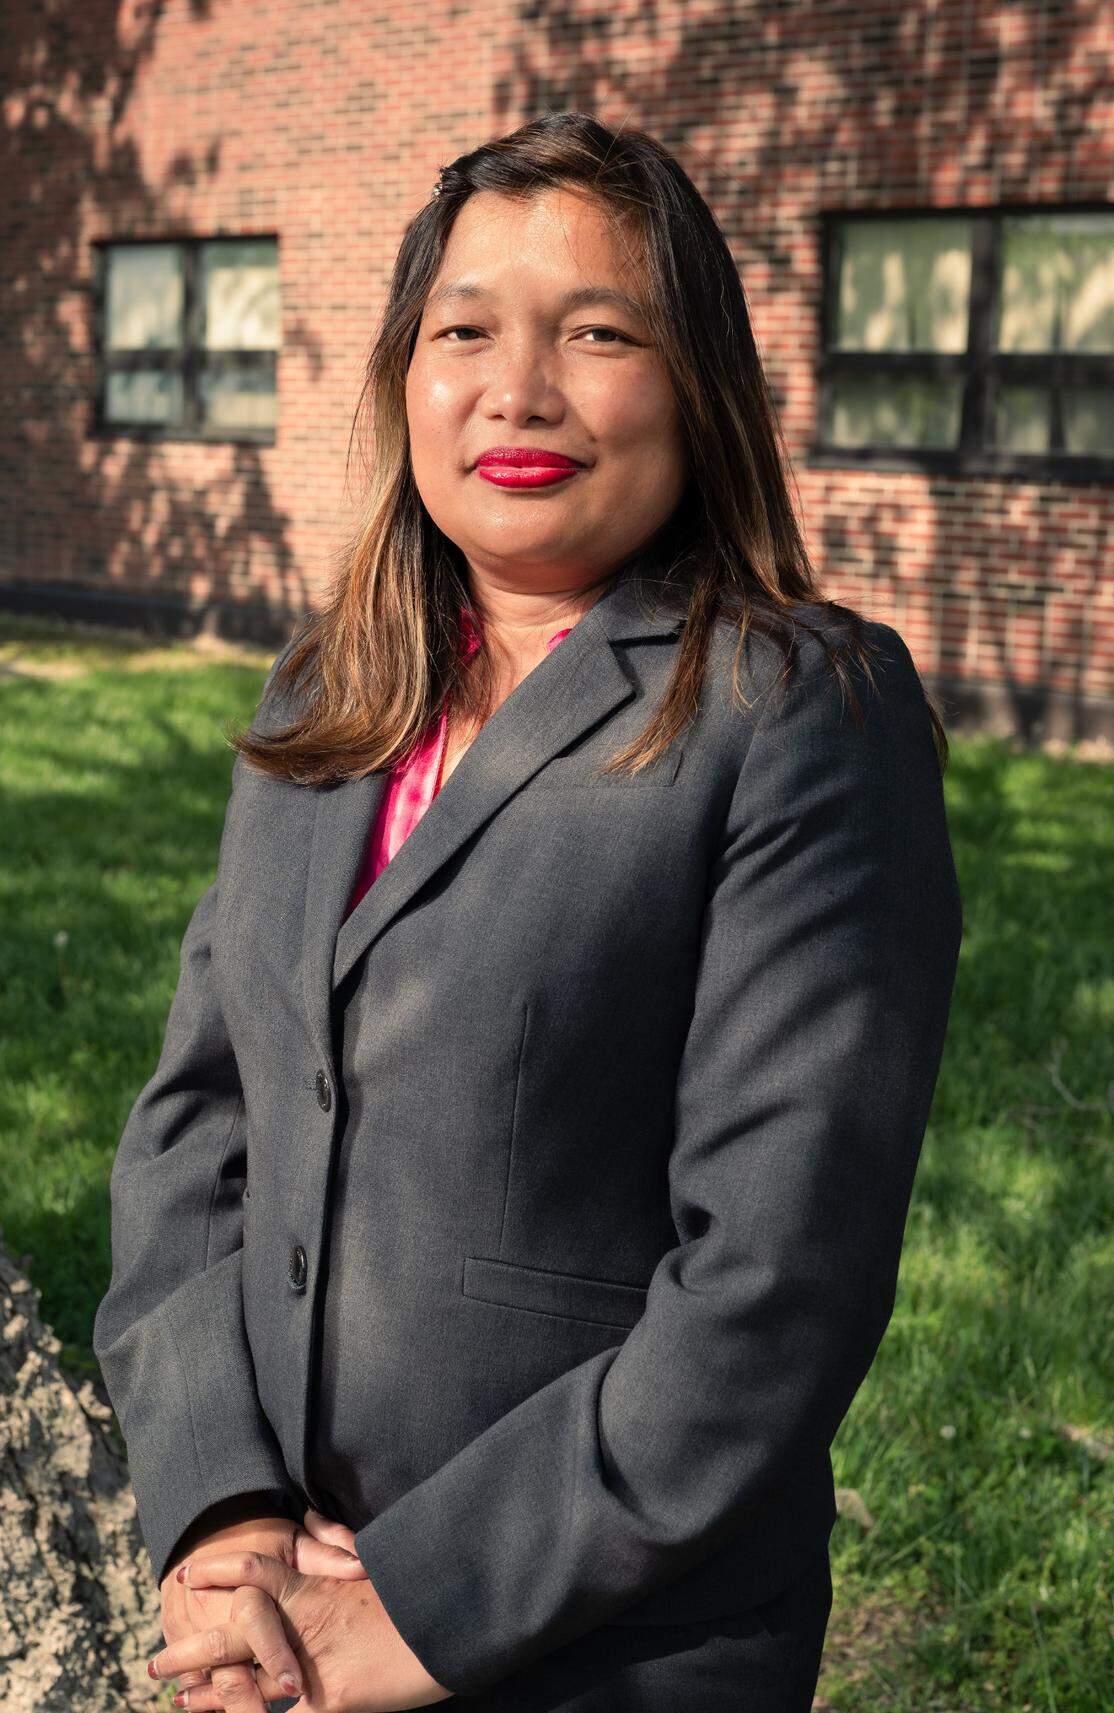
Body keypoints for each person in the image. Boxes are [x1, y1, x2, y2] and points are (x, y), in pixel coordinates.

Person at [93, 111, 963, 1713]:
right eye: (465, 331)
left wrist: (414, 1613)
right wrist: (221, 1522)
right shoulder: (323, 690)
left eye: (599, 332)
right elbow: (191, 1132)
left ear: (697, 384)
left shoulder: (798, 710)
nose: (519, 389)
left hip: (605, 1646)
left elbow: (775, 1280)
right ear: (405, 378)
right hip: (273, 1615)